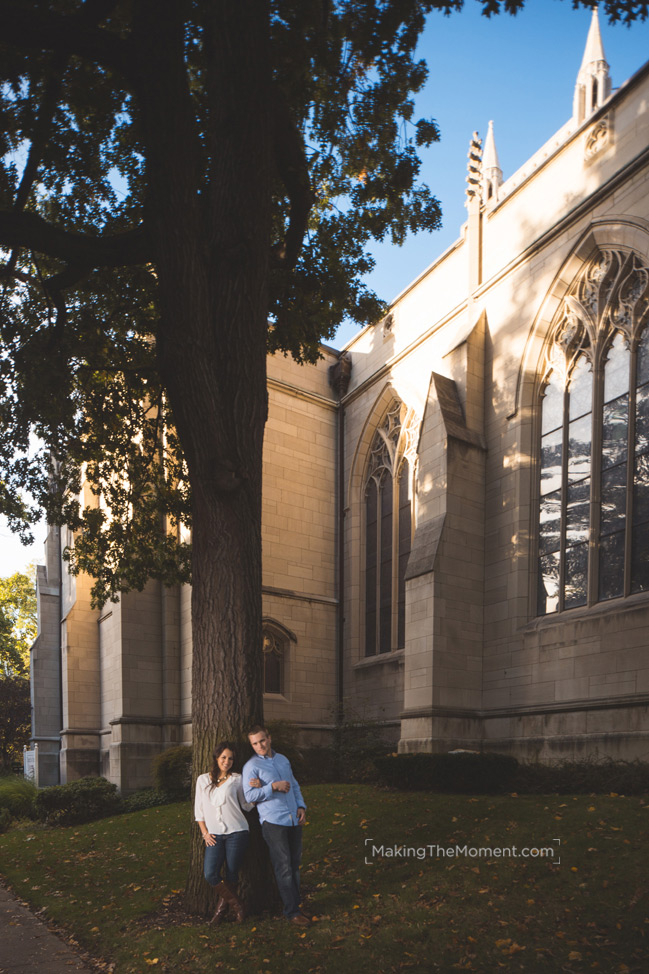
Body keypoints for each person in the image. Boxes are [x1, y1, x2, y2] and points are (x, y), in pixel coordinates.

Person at [242, 725, 310, 927]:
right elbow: (250, 796)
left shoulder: (283, 759)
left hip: (293, 819)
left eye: (262, 740)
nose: (259, 746)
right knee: (284, 868)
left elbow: (294, 784)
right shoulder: (251, 767)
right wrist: (272, 787)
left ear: (269, 739)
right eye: (254, 743)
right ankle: (292, 912)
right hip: (273, 823)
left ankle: (296, 904)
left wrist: (301, 806)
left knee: (294, 866)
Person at [194, 741, 254, 924]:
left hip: (237, 831)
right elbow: (199, 811)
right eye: (223, 757)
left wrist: (257, 788)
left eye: (230, 758)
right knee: (210, 873)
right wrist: (205, 833)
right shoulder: (203, 780)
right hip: (214, 835)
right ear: (216, 758)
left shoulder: (237, 779)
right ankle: (238, 906)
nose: (227, 761)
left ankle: (219, 913)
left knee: (232, 874)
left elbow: (247, 805)